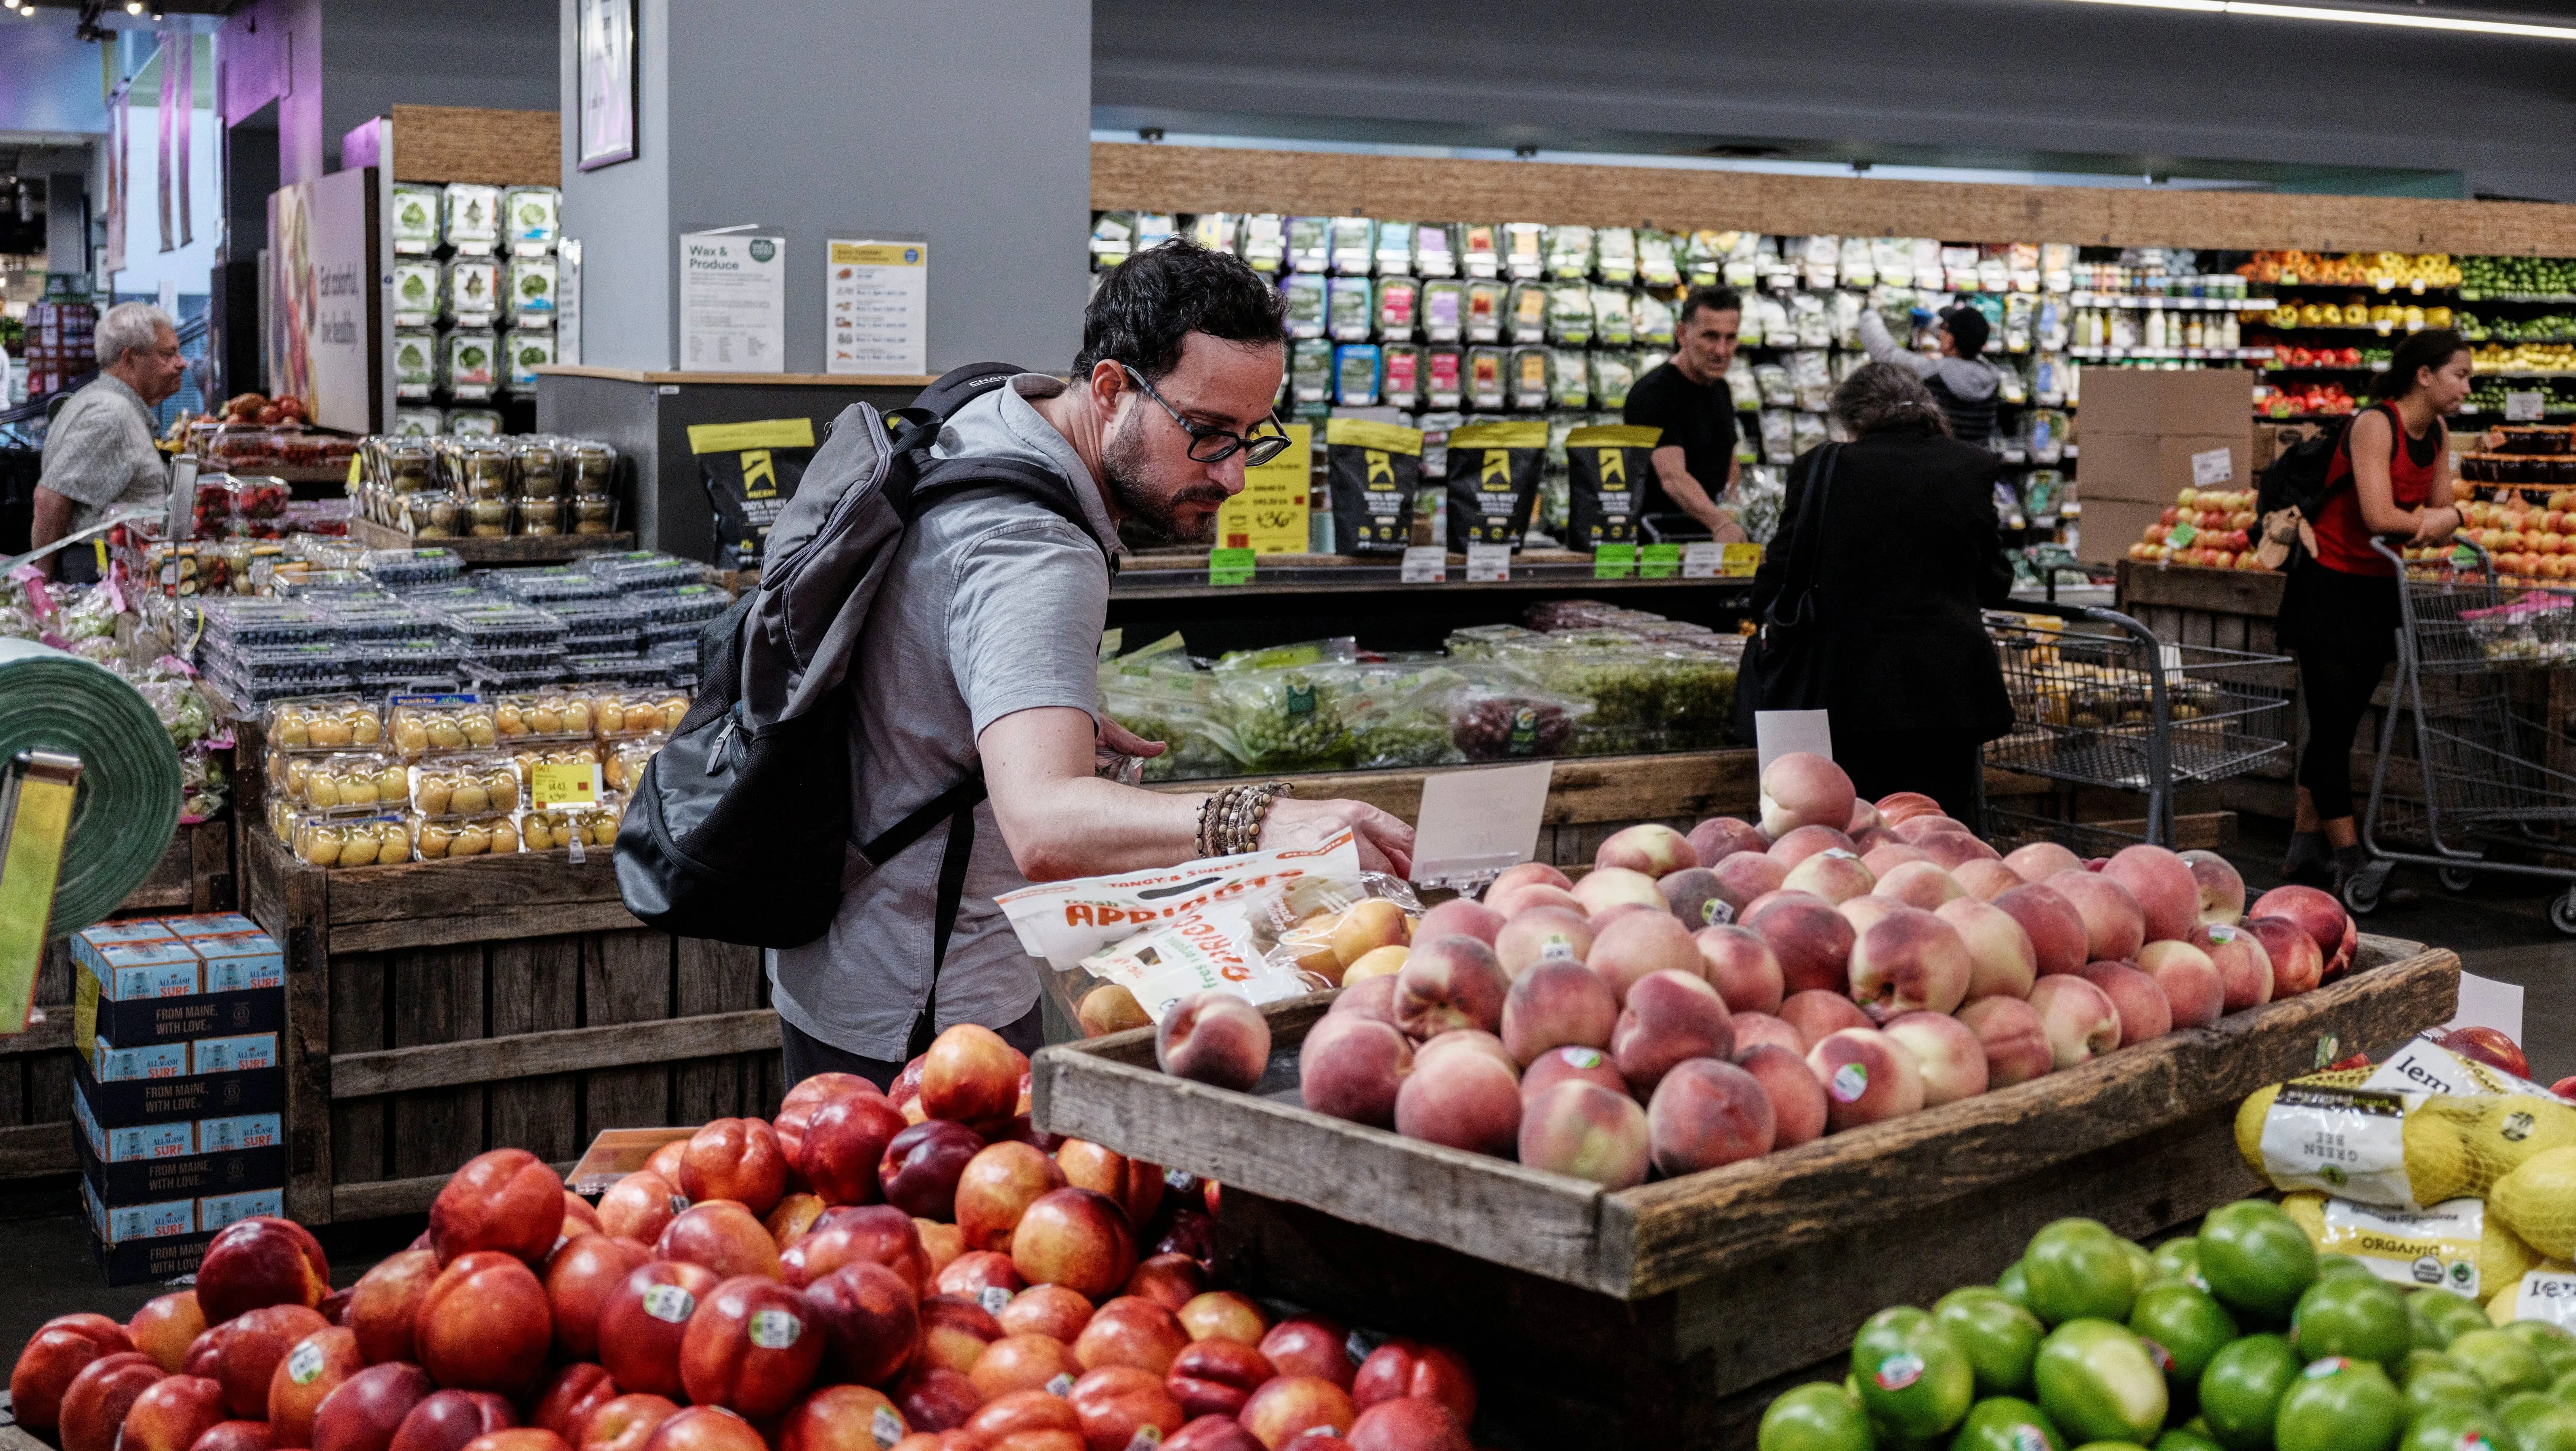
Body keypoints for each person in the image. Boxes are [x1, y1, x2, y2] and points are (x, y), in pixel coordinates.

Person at [770, 240, 1415, 1089]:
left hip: (846, 945)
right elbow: (1045, 826)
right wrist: (1259, 821)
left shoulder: (992, 408)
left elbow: (927, 622)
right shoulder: (1036, 548)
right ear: (1110, 388)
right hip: (926, 1001)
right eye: (1206, 434)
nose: (1232, 476)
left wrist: (1022, 707)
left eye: (1250, 438)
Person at [1746, 362, 2014, 821]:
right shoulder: (1971, 465)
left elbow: (1778, 579)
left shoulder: (1821, 468)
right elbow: (1994, 583)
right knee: (1936, 829)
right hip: (1947, 694)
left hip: (1845, 692)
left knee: (1850, 828)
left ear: (1851, 419)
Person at [2276, 328, 2470, 891]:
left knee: (2339, 723)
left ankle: (2302, 852)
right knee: (2333, 728)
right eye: (2459, 375)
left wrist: (2441, 520)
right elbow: (2380, 516)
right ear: (2424, 375)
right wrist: (2438, 522)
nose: (2466, 387)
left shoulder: (2436, 433)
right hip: (2329, 587)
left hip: (2379, 587)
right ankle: (2350, 860)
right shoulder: (2374, 425)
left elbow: (2441, 508)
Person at [31, 302, 185, 582]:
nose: (181, 363)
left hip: (109, 571)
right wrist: (41, 580)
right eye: (168, 354)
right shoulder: (111, 415)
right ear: (130, 358)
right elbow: (50, 497)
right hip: (98, 574)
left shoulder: (102, 401)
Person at [1622, 285, 1749, 542]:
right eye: (1711, 337)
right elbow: (1673, 477)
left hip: (1708, 536)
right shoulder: (1654, 393)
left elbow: (1730, 459)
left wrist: (1732, 509)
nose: (1721, 351)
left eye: (1730, 338)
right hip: (1660, 542)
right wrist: (1721, 523)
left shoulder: (1720, 388)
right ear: (1682, 334)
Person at [1857, 302, 2004, 447]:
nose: (1941, 334)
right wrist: (1932, 322)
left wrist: (1869, 315)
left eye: (1945, 330)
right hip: (1977, 455)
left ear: (1950, 340)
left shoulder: (1935, 372)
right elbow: (1966, 342)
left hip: (1938, 455)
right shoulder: (1992, 375)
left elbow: (1887, 354)